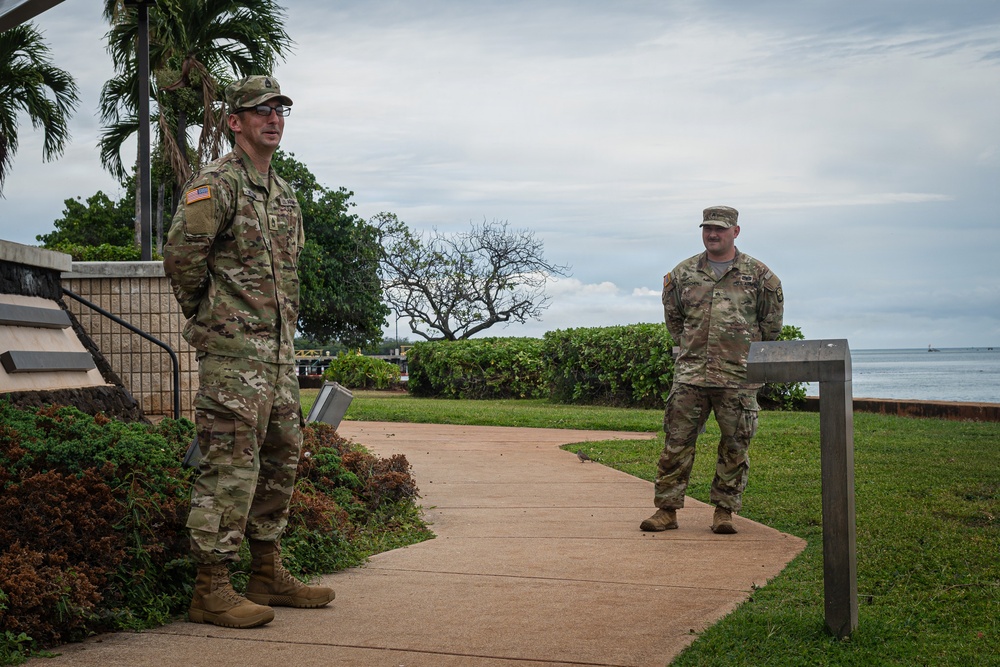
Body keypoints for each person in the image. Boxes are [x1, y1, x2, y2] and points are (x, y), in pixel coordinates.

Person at [163, 75, 334, 629]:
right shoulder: (216, 183)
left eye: (280, 109)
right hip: (235, 357)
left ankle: (266, 571)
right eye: (261, 110)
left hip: (279, 358)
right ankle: (211, 588)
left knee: (281, 460)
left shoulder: (283, 195)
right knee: (230, 463)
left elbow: (291, 276)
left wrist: (281, 339)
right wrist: (210, 320)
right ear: (234, 122)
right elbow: (182, 257)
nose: (274, 118)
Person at [640, 206, 783, 535]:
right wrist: (693, 349)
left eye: (719, 229)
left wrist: (741, 353)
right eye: (707, 228)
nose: (712, 234)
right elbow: (674, 321)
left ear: (735, 231)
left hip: (737, 377)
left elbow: (770, 325)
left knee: (735, 446)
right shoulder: (683, 274)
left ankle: (724, 512)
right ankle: (666, 511)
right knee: (676, 443)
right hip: (691, 376)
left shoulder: (759, 276)